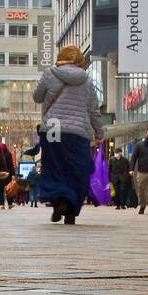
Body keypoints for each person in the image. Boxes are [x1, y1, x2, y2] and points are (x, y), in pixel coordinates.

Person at [33, 45, 104, 225]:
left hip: (53, 126)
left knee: (54, 164)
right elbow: (93, 111)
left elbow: (37, 97)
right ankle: (71, 209)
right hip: (78, 130)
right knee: (77, 169)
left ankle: (58, 201)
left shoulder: (50, 74)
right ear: (79, 60)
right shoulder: (86, 81)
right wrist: (99, 133)